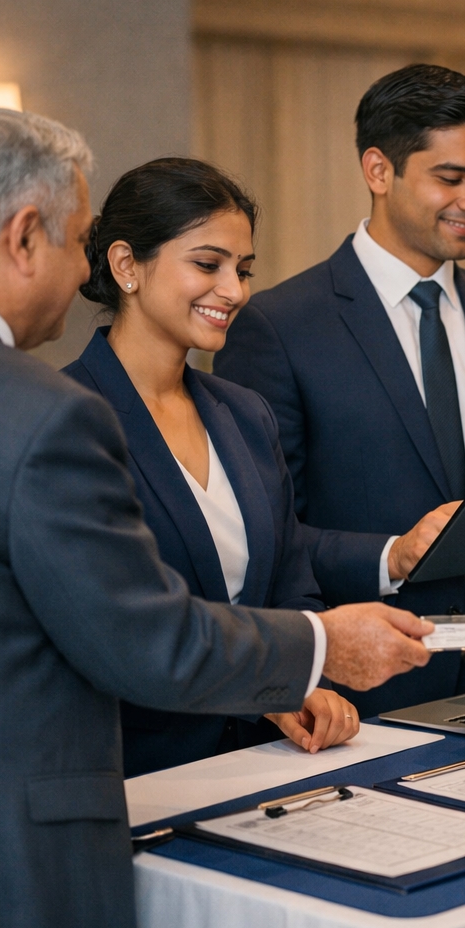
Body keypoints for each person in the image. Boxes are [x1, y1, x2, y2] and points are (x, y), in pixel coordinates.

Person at [0, 110, 431, 928]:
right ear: (26, 236)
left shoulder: (222, 411)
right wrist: (325, 647)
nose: (77, 272)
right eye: (76, 243)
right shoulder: (43, 409)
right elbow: (145, 638)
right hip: (18, 849)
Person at [215, 63, 465, 716]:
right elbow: (261, 535)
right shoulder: (280, 326)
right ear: (379, 171)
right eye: (452, 178)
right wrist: (392, 555)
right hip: (366, 692)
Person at [63, 157, 362, 776]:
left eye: (243, 269)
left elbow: (289, 581)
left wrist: (291, 686)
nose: (235, 290)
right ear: (126, 267)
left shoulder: (244, 412)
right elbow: (107, 627)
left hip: (262, 760)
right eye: (208, 264)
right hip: (133, 772)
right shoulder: (65, 418)